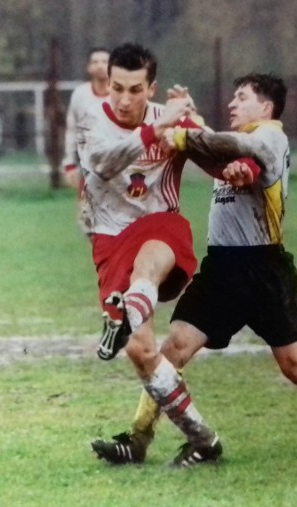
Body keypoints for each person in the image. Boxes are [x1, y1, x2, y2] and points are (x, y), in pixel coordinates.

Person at [91, 72, 297, 466]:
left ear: (266, 107)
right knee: (172, 350)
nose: (233, 104)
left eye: (242, 97)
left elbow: (238, 151)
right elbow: (217, 152)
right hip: (220, 270)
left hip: (263, 271)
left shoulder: (271, 136)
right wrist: (188, 120)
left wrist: (187, 136)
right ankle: (138, 439)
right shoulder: (234, 146)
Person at [76, 42, 222, 467]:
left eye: (134, 90)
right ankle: (203, 438)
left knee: (150, 258)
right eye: (115, 88)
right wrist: (153, 133)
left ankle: (125, 313)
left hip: (161, 229)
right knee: (141, 353)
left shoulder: (170, 115)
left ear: (151, 88)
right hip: (109, 240)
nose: (123, 99)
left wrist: (195, 121)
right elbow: (103, 163)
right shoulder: (91, 122)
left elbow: (214, 159)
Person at [62, 47, 110, 190]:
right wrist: (69, 163)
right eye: (95, 62)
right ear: (88, 67)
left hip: (119, 163)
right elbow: (72, 130)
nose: (100, 65)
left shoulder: (122, 96)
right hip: (89, 165)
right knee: (87, 211)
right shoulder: (80, 94)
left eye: (104, 61)